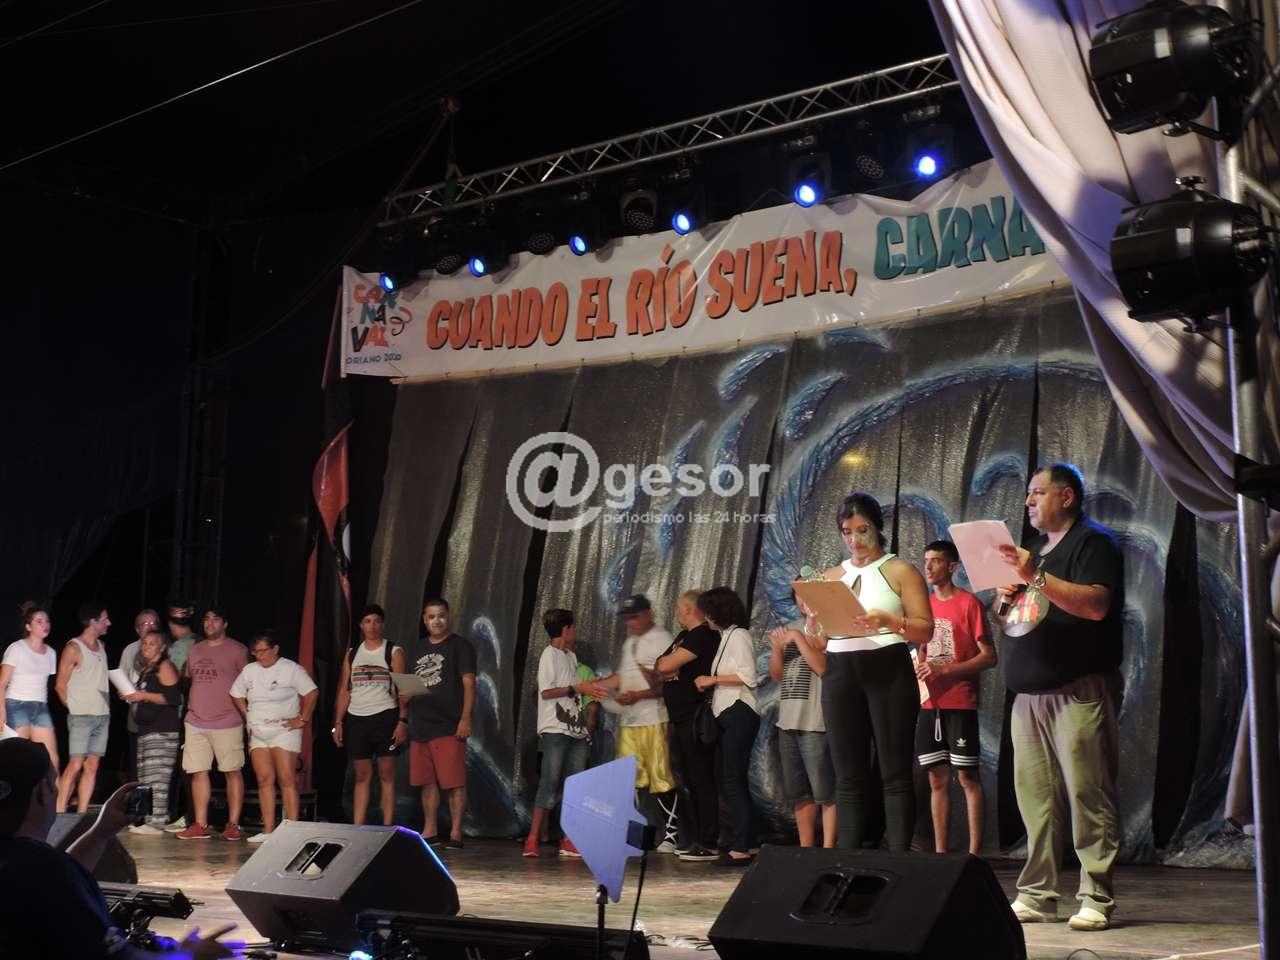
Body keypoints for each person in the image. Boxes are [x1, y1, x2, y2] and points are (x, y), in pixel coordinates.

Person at [996, 463, 1124, 932]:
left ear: (1066, 497)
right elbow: (1015, 618)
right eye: (1028, 494)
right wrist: (1004, 597)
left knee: (1088, 793)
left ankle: (1096, 895)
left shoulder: (1093, 542)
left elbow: (1096, 606)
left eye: (1037, 492)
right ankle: (1037, 894)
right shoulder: (1032, 551)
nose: (1028, 501)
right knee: (1037, 801)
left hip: (1078, 690)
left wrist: (1034, 576)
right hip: (1029, 695)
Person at [0, 737, 243, 960]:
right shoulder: (43, 868)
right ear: (43, 791)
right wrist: (188, 955)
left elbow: (56, 884)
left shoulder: (32, 866)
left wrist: (101, 831)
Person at [808, 492, 933, 852]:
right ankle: (847, 860)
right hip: (840, 673)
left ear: (878, 528)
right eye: (847, 532)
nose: (855, 539)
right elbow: (819, 642)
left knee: (894, 772)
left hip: (888, 668)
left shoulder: (900, 570)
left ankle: (899, 860)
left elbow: (926, 629)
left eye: (862, 530)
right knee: (847, 775)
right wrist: (813, 623)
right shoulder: (831, 577)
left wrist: (889, 621)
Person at [915, 540, 996, 856]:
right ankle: (941, 854)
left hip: (960, 702)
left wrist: (947, 669)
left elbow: (989, 656)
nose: (928, 566)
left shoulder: (968, 603)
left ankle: (974, 854)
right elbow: (922, 650)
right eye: (926, 560)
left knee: (966, 777)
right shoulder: (923, 606)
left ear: (952, 567)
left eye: (935, 560)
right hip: (929, 704)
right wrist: (919, 666)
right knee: (936, 779)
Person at [589, 595, 679, 853]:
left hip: (654, 719)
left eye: (635, 616)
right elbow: (622, 677)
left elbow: (669, 684)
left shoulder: (663, 639)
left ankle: (672, 834)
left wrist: (638, 695)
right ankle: (635, 835)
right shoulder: (629, 643)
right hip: (630, 721)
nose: (631, 623)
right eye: (627, 618)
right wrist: (598, 685)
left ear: (649, 614)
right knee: (630, 780)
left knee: (661, 778)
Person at [524, 608, 604, 858]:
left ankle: (569, 838)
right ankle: (532, 838)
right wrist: (578, 687)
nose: (575, 632)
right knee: (549, 781)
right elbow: (546, 692)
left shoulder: (571, 656)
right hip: (555, 728)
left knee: (576, 784)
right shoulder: (549, 655)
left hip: (576, 729)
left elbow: (576, 692)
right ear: (565, 630)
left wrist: (587, 689)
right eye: (572, 627)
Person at [693, 586, 760, 865]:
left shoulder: (739, 635)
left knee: (733, 780)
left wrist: (712, 680)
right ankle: (748, 841)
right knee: (732, 779)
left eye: (708, 612)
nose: (705, 618)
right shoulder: (726, 636)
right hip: (728, 713)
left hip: (738, 711)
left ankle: (742, 845)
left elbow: (748, 676)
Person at [230, 630, 318, 843]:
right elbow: (236, 693)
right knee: (264, 779)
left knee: (286, 778)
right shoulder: (250, 670)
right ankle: (269, 830)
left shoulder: (291, 669)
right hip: (259, 732)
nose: (259, 655)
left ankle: (292, 829)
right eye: (255, 652)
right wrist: (246, 713)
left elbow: (311, 692)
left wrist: (303, 718)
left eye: (263, 651)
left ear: (275, 649)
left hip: (284, 731)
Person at [653, 590, 721, 861]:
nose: (677, 613)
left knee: (701, 777)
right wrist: (669, 667)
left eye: (679, 609)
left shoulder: (703, 635)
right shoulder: (683, 636)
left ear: (689, 609)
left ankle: (708, 840)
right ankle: (693, 837)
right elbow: (660, 666)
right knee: (687, 778)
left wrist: (671, 667)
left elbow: (666, 665)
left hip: (694, 716)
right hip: (679, 715)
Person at [402, 599, 475, 848]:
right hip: (421, 725)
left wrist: (465, 718)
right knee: (427, 781)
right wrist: (405, 699)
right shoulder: (417, 648)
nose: (437, 621)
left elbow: (469, 684)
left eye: (441, 615)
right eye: (431, 617)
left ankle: (456, 832)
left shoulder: (460, 646)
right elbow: (410, 684)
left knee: (454, 781)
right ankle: (430, 829)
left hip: (448, 724)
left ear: (449, 617)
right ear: (425, 620)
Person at [177, 606, 249, 841]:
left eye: (216, 619)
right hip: (196, 719)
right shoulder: (195, 650)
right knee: (198, 771)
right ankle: (200, 824)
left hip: (228, 720)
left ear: (225, 624)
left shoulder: (238, 650)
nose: (210, 623)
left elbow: (249, 684)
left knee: (232, 771)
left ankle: (233, 824)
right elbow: (190, 681)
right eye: (206, 619)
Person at [332, 603, 406, 826]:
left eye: (376, 621)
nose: (372, 626)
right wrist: (338, 722)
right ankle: (358, 826)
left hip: (385, 716)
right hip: (357, 719)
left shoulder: (394, 651)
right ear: (361, 625)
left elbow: (404, 690)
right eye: (367, 621)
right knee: (362, 775)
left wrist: (402, 721)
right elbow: (345, 689)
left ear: (382, 625)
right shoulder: (353, 654)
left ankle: (388, 827)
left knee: (386, 774)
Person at [768, 608, 836, 848]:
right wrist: (777, 649)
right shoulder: (790, 627)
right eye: (798, 594)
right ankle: (805, 848)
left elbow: (823, 668)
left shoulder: (828, 625)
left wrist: (798, 638)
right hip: (788, 720)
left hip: (815, 721)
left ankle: (828, 849)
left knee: (825, 792)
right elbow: (777, 675)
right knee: (799, 793)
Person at [120, 628, 182, 834]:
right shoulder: (147, 669)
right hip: (146, 730)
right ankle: (147, 819)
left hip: (162, 731)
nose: (146, 647)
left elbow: (173, 698)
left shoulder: (165, 666)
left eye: (152, 644)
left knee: (158, 778)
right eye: (144, 643)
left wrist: (142, 696)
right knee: (146, 778)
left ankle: (157, 822)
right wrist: (132, 695)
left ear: (162, 647)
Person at [55, 602, 113, 813]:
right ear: (92, 622)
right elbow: (60, 685)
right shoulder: (73, 648)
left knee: (92, 766)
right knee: (75, 764)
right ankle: (59, 813)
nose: (109, 623)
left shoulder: (102, 646)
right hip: (81, 716)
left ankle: (82, 813)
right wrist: (74, 709)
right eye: (105, 619)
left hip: (102, 715)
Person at [0, 601, 59, 770]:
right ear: (28, 626)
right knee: (16, 757)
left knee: (52, 758)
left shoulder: (51, 653)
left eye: (47, 621)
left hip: (40, 707)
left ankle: (54, 788)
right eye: (39, 621)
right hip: (16, 705)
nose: (45, 625)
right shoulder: (16, 648)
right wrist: (1, 712)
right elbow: (2, 683)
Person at [161, 599, 198, 834]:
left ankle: (190, 816)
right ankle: (184, 815)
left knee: (186, 769)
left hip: (182, 713)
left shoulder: (187, 646)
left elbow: (178, 681)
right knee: (182, 769)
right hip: (182, 712)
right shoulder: (191, 644)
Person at [118, 609, 160, 781]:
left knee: (156, 763)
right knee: (137, 760)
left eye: (153, 623)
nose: (150, 626)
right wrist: (124, 691)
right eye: (145, 624)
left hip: (159, 714)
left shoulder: (165, 647)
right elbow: (122, 676)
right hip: (136, 711)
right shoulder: (130, 649)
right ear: (137, 629)